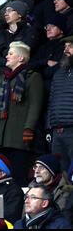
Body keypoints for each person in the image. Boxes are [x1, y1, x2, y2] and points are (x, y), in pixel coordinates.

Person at [0, 41, 44, 187]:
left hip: (18, 139)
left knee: (17, 178)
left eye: (10, 54)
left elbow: (35, 105)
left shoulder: (33, 77)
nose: (6, 56)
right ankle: (0, 208)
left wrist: (29, 128)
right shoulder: (4, 78)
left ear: (21, 58)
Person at [46, 35, 73, 172]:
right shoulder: (59, 73)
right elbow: (52, 101)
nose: (66, 50)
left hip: (71, 129)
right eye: (65, 47)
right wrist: (49, 126)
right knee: (60, 172)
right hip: (57, 131)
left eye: (70, 46)